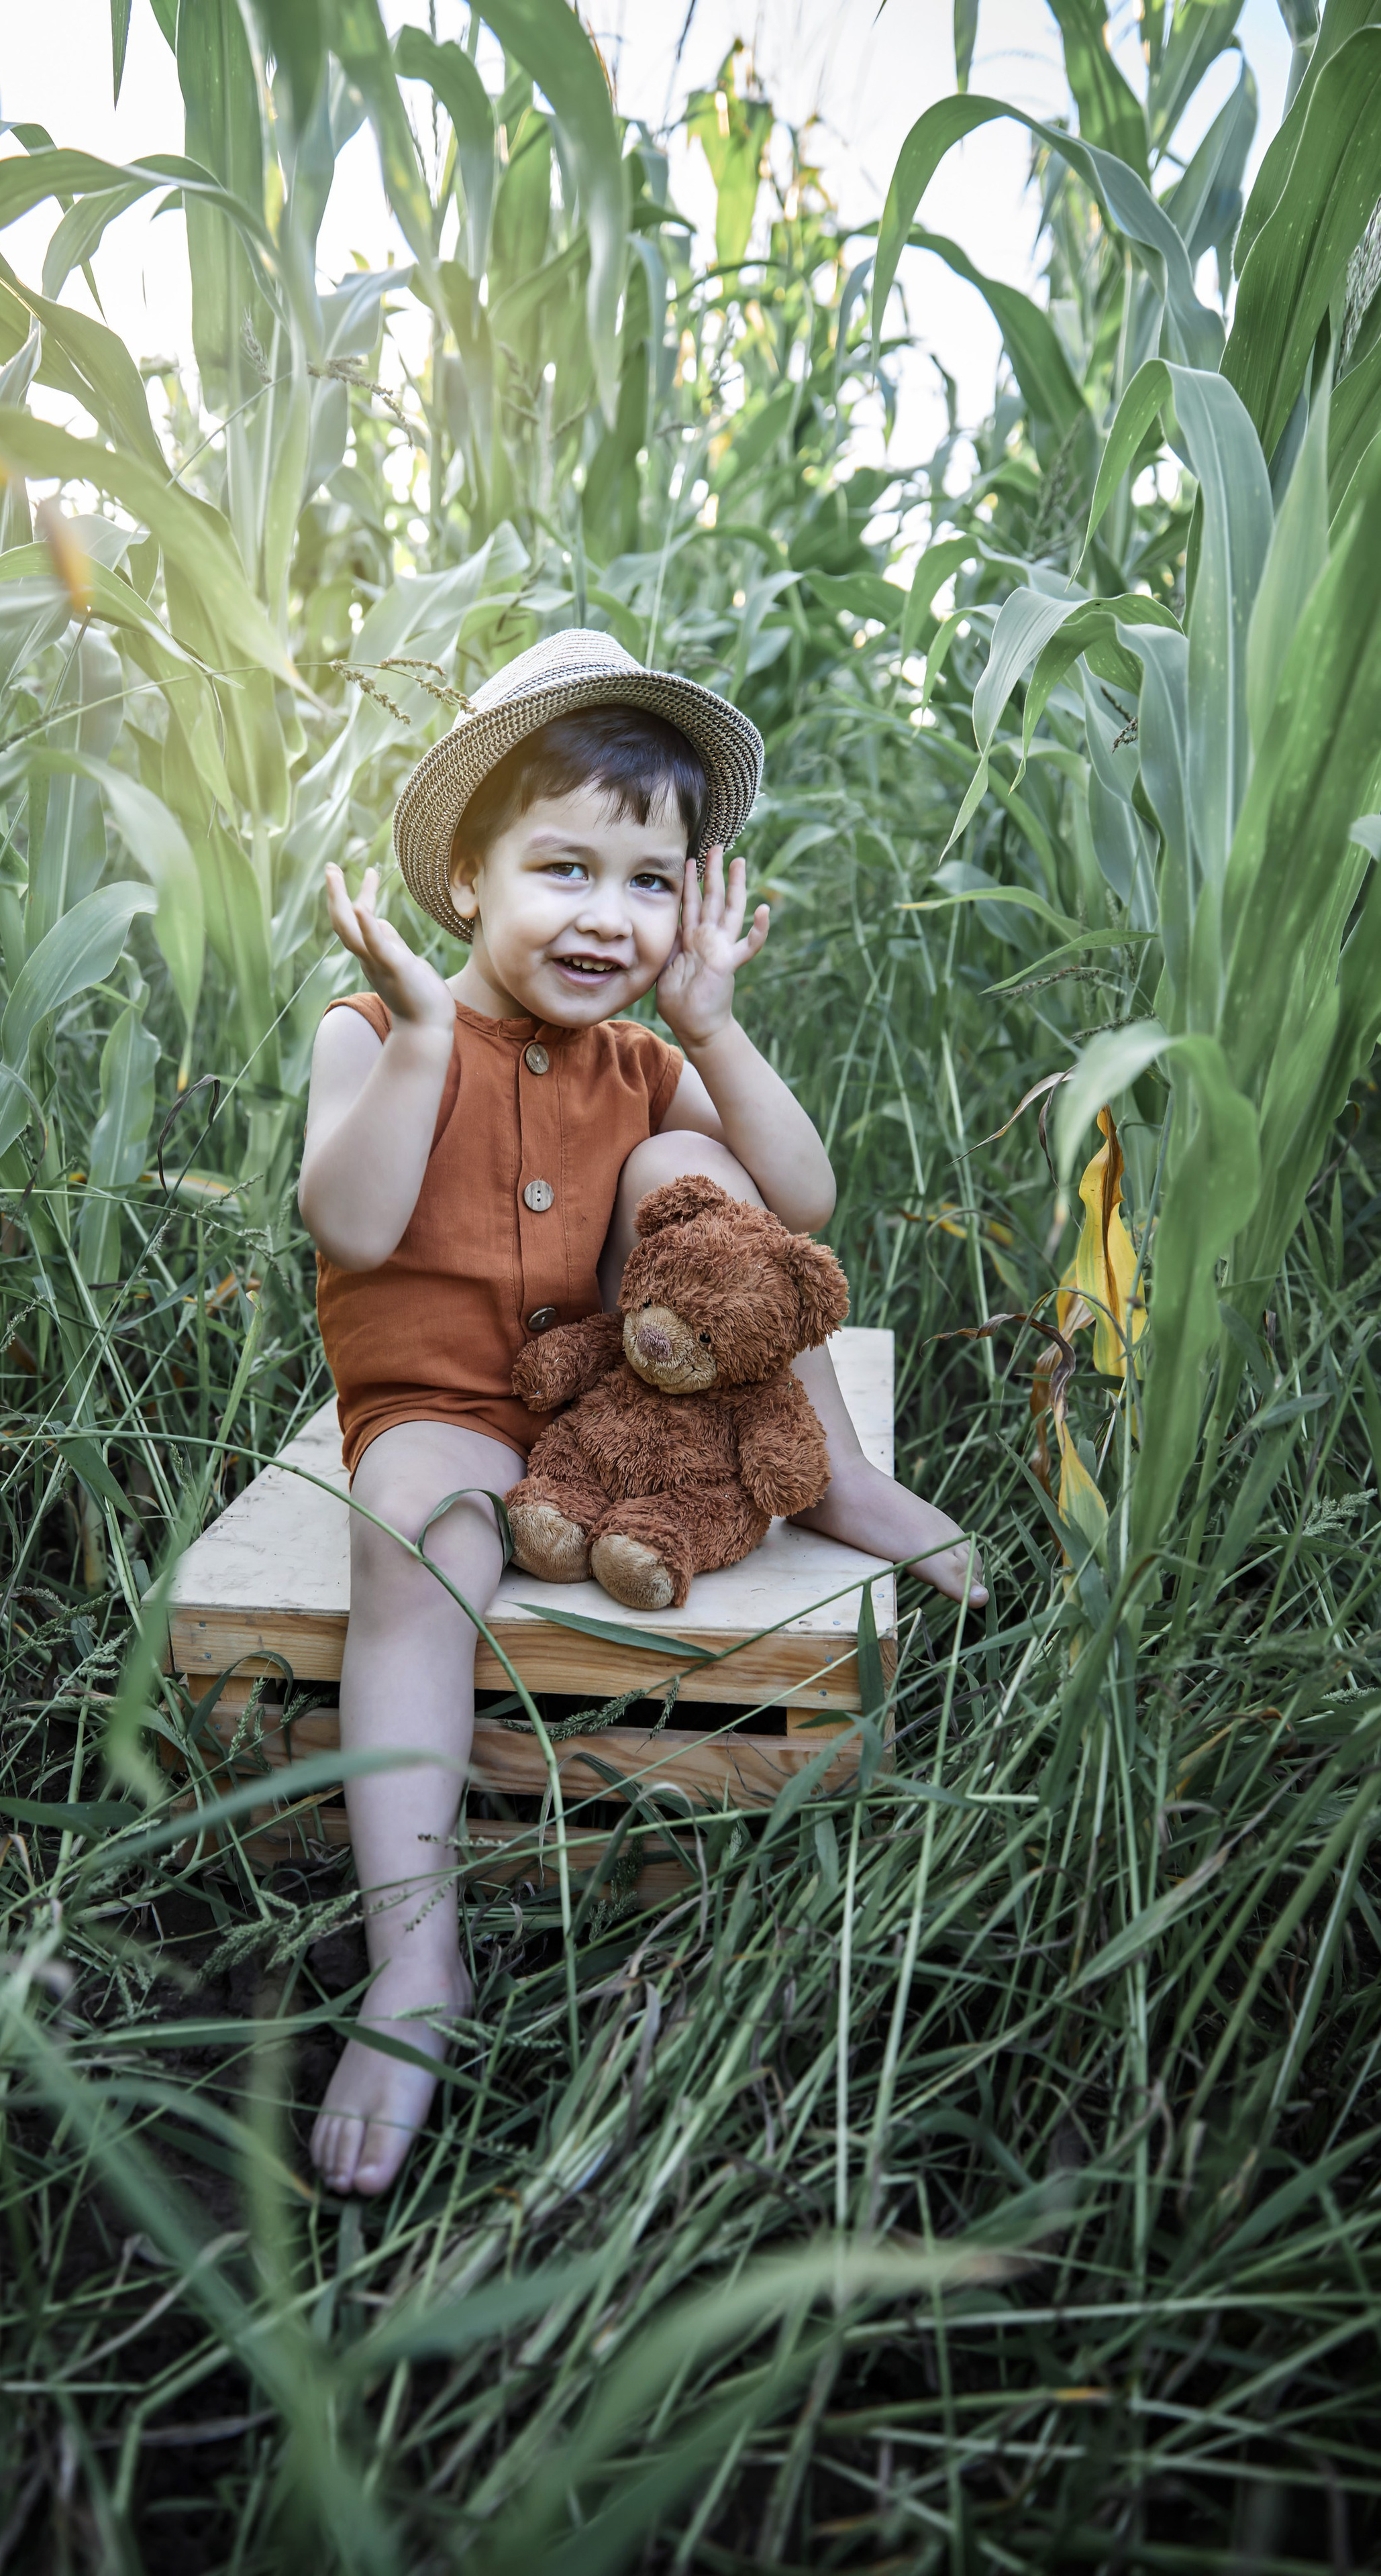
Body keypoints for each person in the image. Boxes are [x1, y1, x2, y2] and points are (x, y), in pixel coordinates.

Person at [296, 631, 984, 2196]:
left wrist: (718, 1030)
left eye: (650, 881)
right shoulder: (375, 1029)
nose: (608, 916)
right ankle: (415, 1964)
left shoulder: (641, 1058)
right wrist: (411, 1047)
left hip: (622, 1384)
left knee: (710, 1192)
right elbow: (346, 1224)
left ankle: (837, 1477)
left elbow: (804, 1206)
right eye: (563, 869)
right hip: (451, 1405)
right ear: (464, 878)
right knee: (415, 1556)